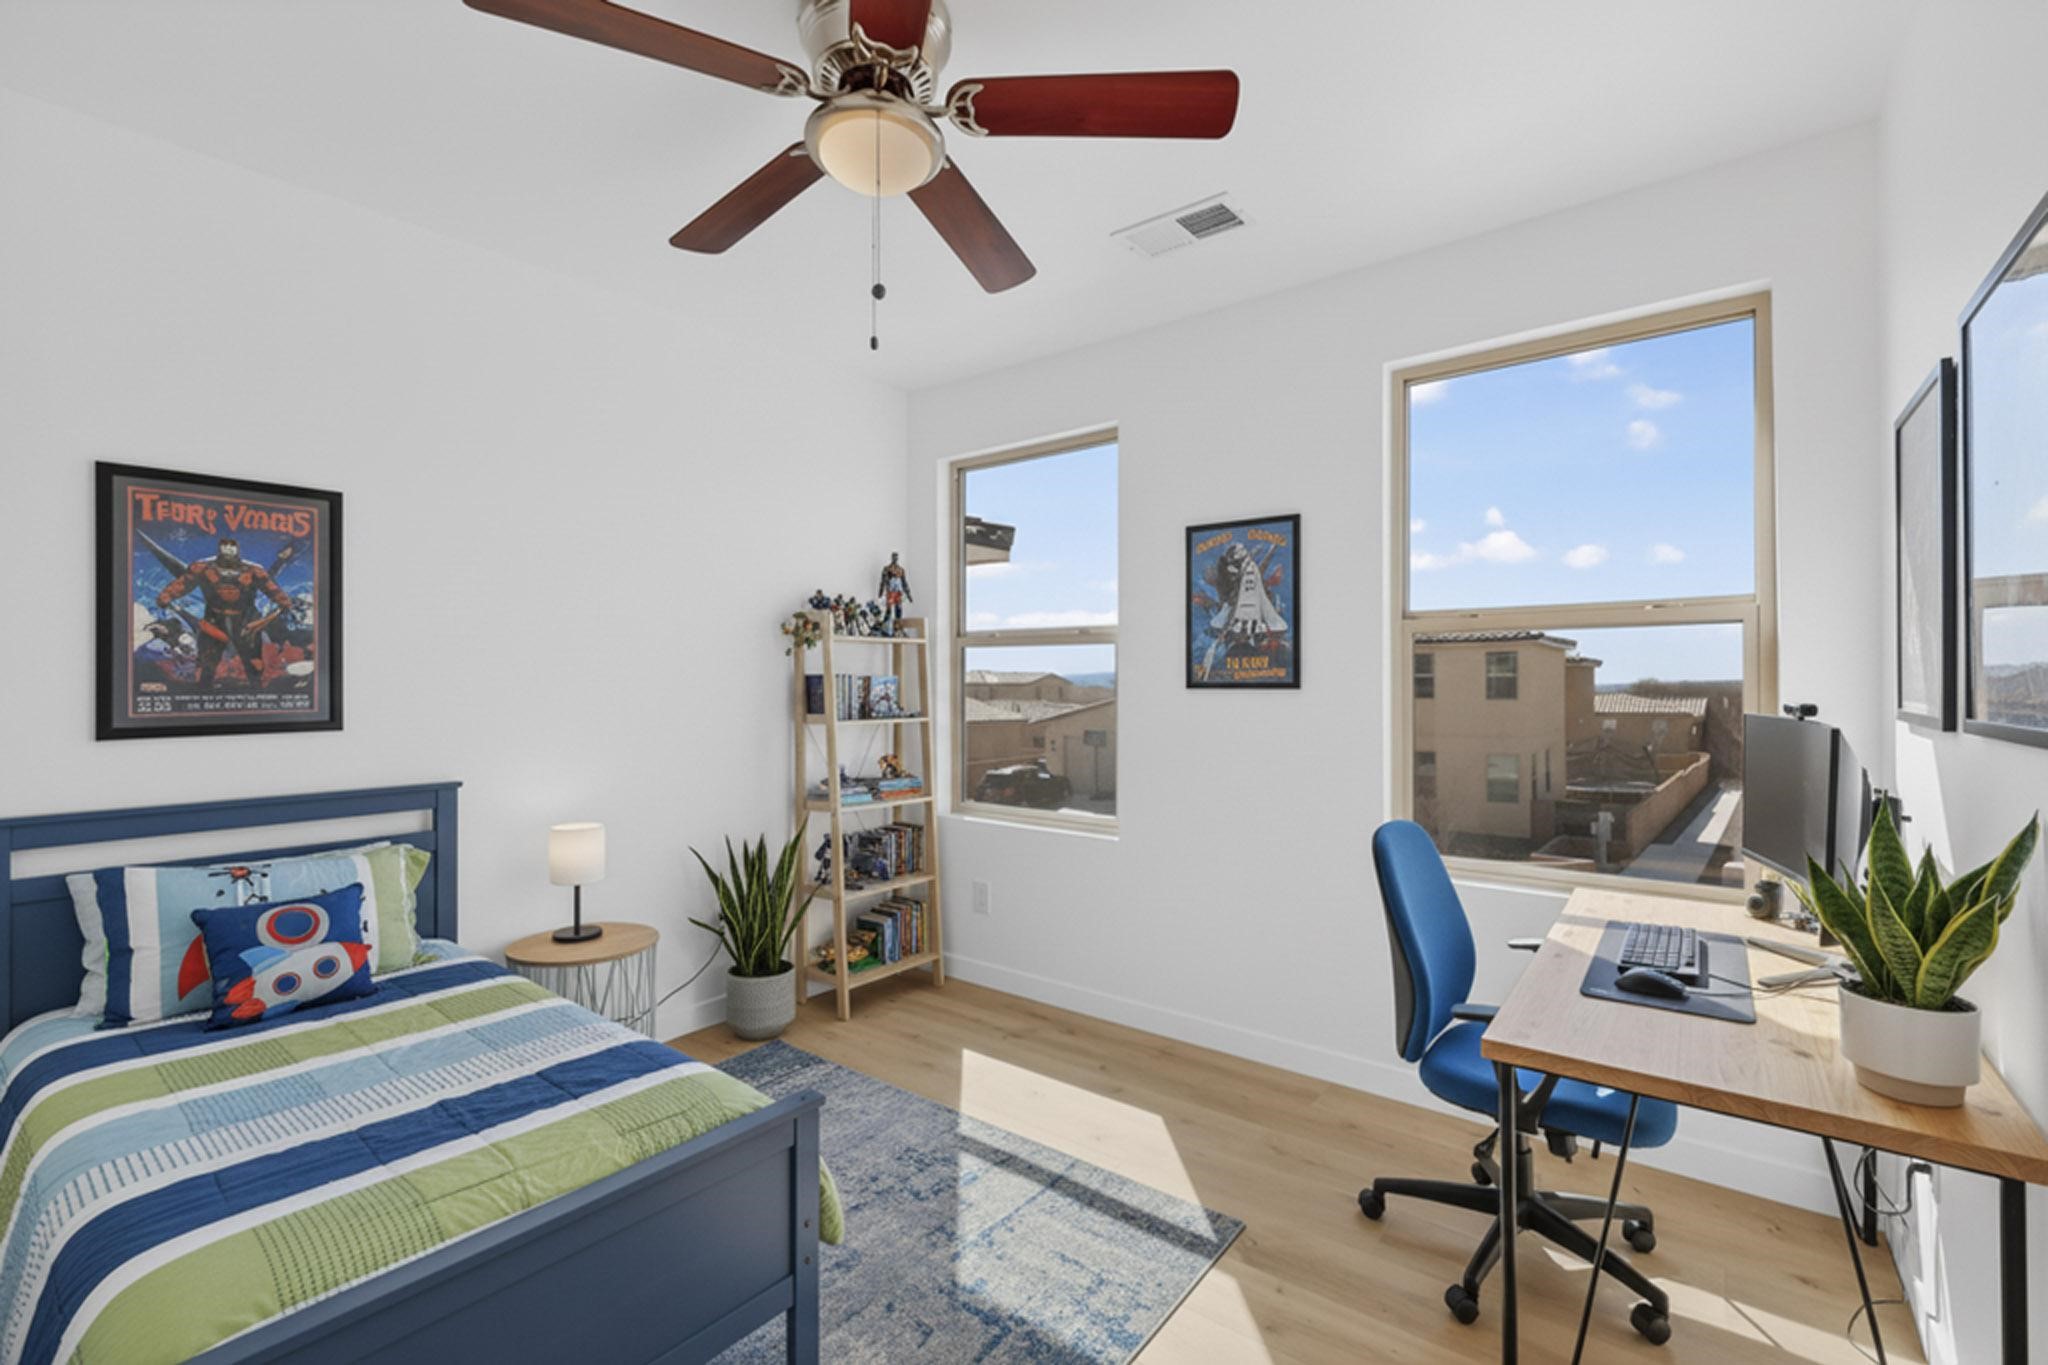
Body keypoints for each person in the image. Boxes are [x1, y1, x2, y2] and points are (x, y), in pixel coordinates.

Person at [156, 537, 293, 688]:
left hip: (245, 619)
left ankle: (256, 688)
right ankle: (203, 688)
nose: (228, 550)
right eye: (225, 547)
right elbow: (183, 583)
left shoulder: (253, 570)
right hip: (215, 618)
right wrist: (166, 596)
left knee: (252, 658)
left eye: (231, 547)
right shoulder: (203, 568)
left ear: (237, 551)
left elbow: (270, 587)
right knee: (208, 657)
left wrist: (283, 601)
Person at [877, 552, 913, 632]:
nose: (895, 559)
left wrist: (909, 594)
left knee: (899, 609)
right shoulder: (887, 569)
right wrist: (880, 593)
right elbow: (883, 581)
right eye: (894, 557)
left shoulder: (901, 570)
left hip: (898, 592)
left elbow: (904, 582)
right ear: (891, 558)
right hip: (890, 591)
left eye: (896, 557)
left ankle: (898, 628)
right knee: (889, 609)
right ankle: (885, 628)